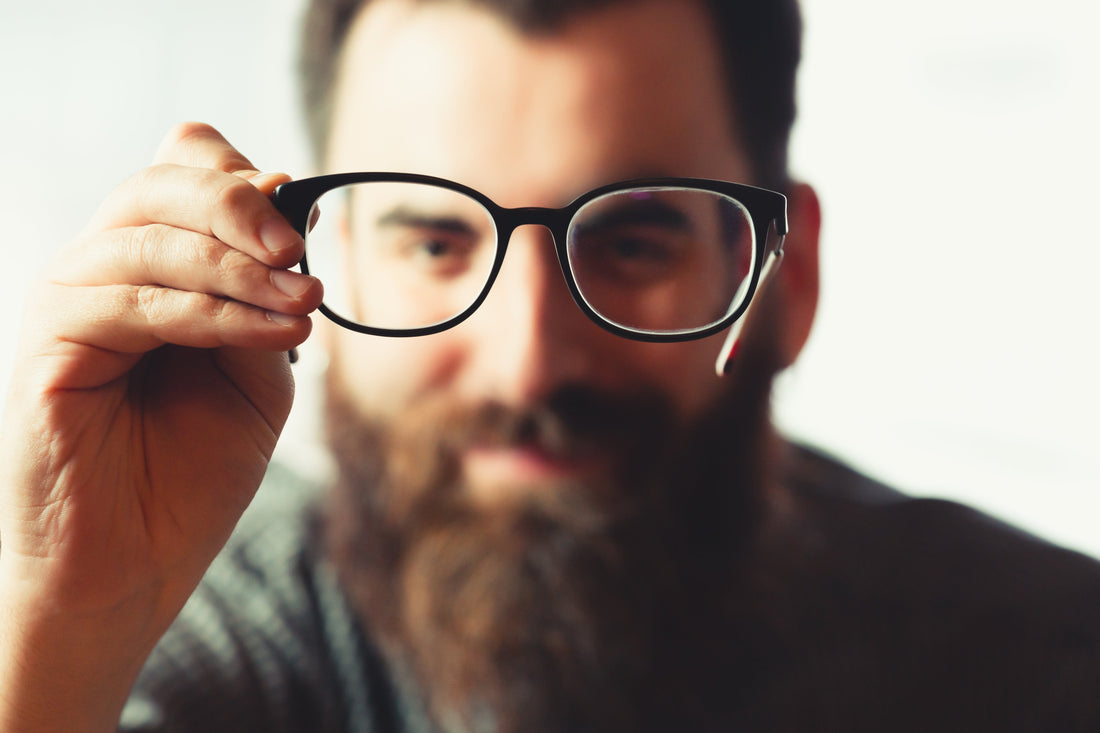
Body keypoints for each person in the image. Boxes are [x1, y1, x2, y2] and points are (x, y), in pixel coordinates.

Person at [0, 0, 1097, 731]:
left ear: (786, 274)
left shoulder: (1042, 668)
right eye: (435, 240)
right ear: (312, 267)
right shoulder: (187, 633)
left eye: (632, 237)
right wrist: (65, 625)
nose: (527, 365)